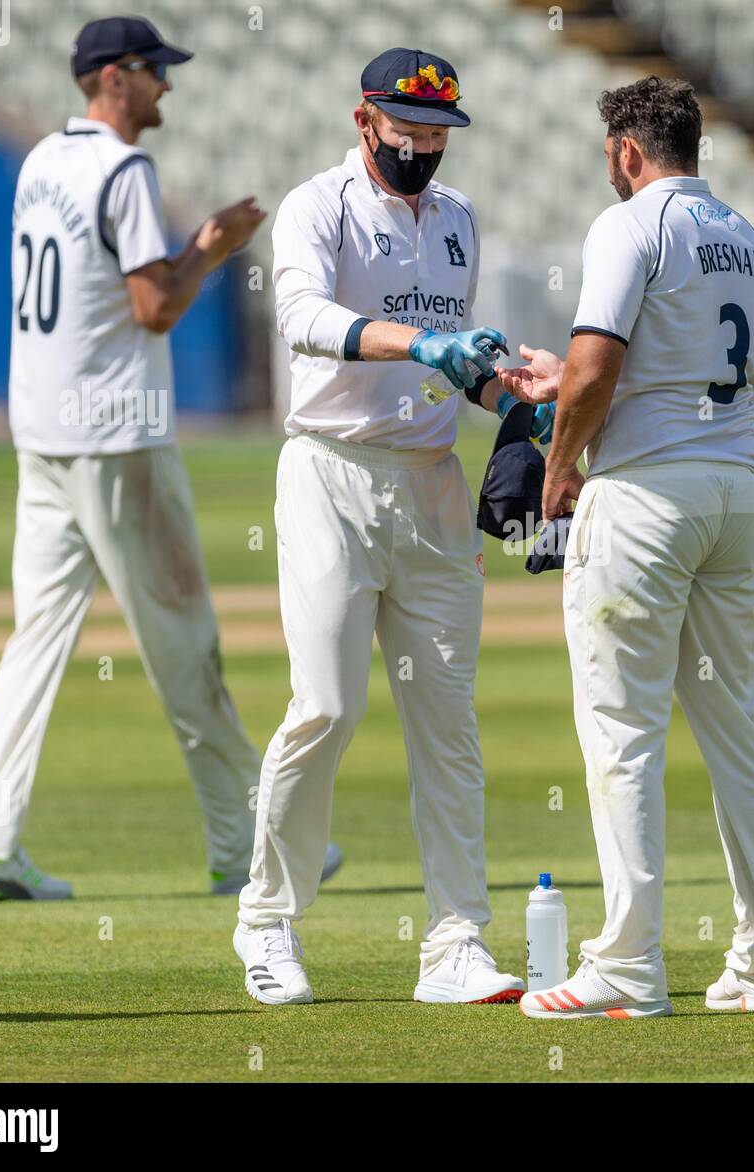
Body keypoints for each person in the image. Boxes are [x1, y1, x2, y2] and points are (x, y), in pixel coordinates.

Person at [0, 16, 342, 901]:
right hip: (117, 431)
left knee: (35, 642)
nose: (167, 84)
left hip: (42, 427)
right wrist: (210, 246)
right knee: (183, 643)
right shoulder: (123, 169)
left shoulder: (43, 161)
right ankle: (246, 841)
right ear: (112, 78)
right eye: (155, 70)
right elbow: (153, 307)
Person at [234, 48, 530, 1007]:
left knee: (448, 726)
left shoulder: (458, 220)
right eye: (408, 130)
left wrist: (508, 397)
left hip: (434, 484)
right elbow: (303, 317)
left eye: (438, 133)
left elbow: (453, 357)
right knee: (325, 705)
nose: (424, 149)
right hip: (331, 472)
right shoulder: (317, 205)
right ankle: (268, 924)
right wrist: (424, 342)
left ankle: (455, 945)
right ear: (366, 119)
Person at [501, 77, 754, 1019]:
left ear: (629, 153)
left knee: (623, 735)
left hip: (645, 501)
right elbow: (666, 364)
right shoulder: (744, 235)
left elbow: (599, 362)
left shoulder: (627, 224)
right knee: (735, 735)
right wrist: (574, 383)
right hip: (733, 492)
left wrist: (558, 465)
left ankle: (628, 964)